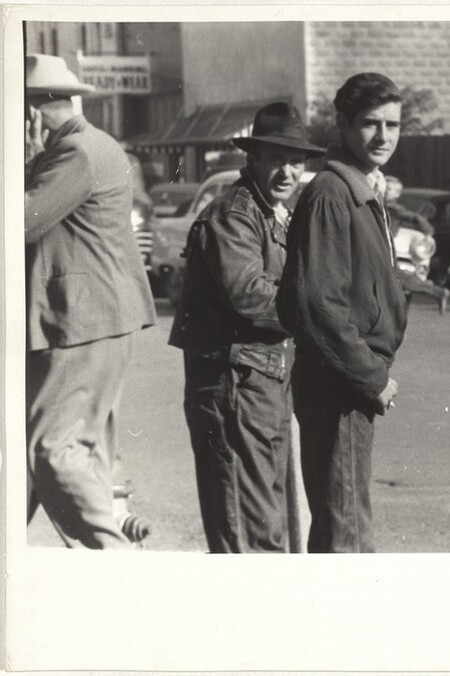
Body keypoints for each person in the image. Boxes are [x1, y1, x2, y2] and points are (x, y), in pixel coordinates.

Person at [168, 102, 325, 552]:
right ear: (252, 158)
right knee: (247, 533)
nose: (287, 171)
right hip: (233, 384)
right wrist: (318, 312)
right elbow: (249, 296)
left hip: (263, 382)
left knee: (266, 524)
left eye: (296, 161)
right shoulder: (234, 215)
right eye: (276, 158)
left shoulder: (275, 214)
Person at [24, 54, 157, 548]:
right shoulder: (89, 146)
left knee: (52, 450)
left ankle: (114, 552)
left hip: (81, 319)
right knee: (84, 447)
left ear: (35, 111)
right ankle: (115, 535)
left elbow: (21, 221)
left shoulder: (76, 152)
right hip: (97, 317)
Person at [278, 73, 407, 553]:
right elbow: (318, 304)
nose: (383, 136)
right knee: (346, 531)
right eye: (371, 124)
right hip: (340, 387)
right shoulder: (334, 193)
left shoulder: (363, 188)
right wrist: (372, 378)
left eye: (393, 125)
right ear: (344, 125)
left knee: (343, 519)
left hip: (347, 385)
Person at [385, 175, 450, 314]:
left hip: (386, 246)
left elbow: (414, 217)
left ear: (397, 194)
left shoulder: (392, 207)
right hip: (383, 245)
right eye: (384, 186)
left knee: (397, 278)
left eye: (389, 189)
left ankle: (438, 292)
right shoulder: (382, 204)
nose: (384, 190)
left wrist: (427, 230)